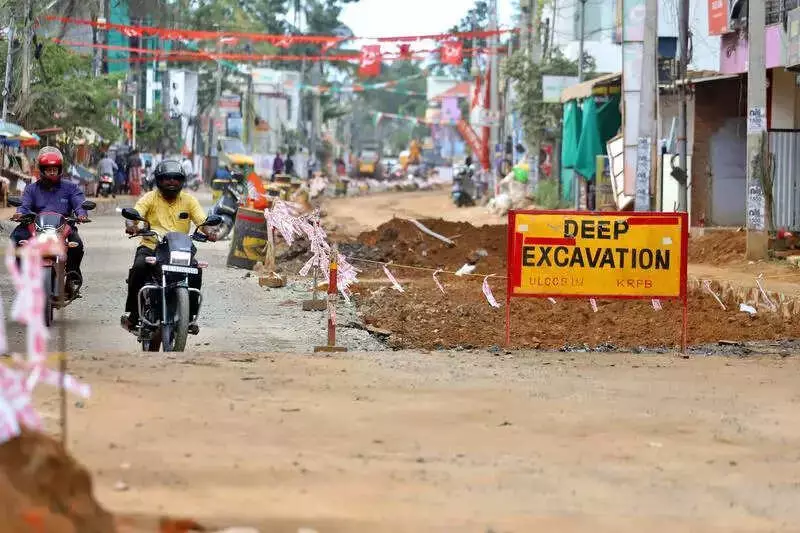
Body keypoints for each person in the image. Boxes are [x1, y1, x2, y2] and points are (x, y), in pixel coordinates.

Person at [121, 160, 217, 331]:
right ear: (159, 180)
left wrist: (209, 231)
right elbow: (134, 215)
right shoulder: (149, 198)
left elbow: (203, 221)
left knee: (196, 271)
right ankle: (134, 314)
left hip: (180, 249)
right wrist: (132, 226)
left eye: (176, 178)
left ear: (182, 181)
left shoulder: (189, 200)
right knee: (139, 267)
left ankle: (188, 317)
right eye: (167, 178)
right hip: (151, 247)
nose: (172, 182)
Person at [10, 147, 88, 297]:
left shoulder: (70, 187)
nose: (52, 172)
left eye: (55, 169)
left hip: (63, 226)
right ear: (42, 170)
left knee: (77, 245)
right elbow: (24, 204)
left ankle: (71, 278)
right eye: (48, 169)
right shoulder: (31, 189)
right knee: (16, 240)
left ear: (59, 170)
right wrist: (20, 213)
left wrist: (82, 214)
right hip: (35, 225)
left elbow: (79, 202)